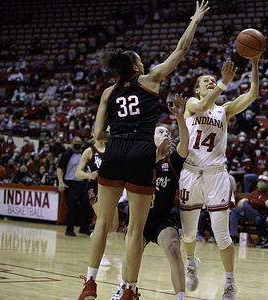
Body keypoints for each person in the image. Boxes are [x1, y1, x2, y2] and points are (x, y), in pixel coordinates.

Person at [78, 2, 210, 299]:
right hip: (141, 149)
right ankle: (130, 290)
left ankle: (89, 283)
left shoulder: (108, 93)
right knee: (135, 229)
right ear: (136, 67)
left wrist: (119, 135)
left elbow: (98, 134)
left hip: (114, 150)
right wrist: (194, 21)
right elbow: (180, 51)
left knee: (102, 222)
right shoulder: (149, 80)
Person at [178, 51, 262, 300]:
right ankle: (191, 262)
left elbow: (253, 94)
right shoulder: (192, 106)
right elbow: (203, 105)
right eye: (206, 81)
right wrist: (224, 82)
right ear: (197, 89)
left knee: (222, 235)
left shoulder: (224, 110)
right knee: (190, 234)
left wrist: (255, 62)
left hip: (216, 175)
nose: (211, 82)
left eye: (213, 80)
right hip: (190, 173)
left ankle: (230, 283)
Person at [113, 94, 190, 300]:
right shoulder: (138, 159)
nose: (166, 134)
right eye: (160, 131)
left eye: (168, 132)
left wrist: (180, 117)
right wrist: (155, 156)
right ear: (150, 137)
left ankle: (180, 298)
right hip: (138, 219)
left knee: (174, 248)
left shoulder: (172, 162)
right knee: (131, 250)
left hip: (161, 220)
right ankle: (125, 287)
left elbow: (185, 146)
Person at [75, 136, 118, 266]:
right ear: (93, 134)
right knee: (103, 222)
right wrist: (89, 175)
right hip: (95, 189)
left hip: (111, 188)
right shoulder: (90, 151)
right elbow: (78, 172)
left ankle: (96, 235)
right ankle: (101, 255)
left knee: (114, 226)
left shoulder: (112, 150)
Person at [57, 136, 93, 237]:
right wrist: (61, 182)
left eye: (79, 141)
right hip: (70, 184)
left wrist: (88, 176)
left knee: (88, 204)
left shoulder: (83, 154)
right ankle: (69, 229)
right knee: (73, 208)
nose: (77, 143)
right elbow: (59, 168)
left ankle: (84, 228)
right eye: (75, 141)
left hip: (81, 184)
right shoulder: (66, 154)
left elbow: (85, 168)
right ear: (71, 143)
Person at [229, 174, 268, 247]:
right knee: (234, 215)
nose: (260, 183)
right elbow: (251, 200)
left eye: (263, 182)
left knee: (244, 204)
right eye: (259, 182)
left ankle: (233, 210)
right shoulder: (254, 193)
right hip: (247, 214)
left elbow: (261, 203)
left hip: (258, 214)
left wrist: (248, 200)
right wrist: (247, 200)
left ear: (267, 184)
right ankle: (234, 237)